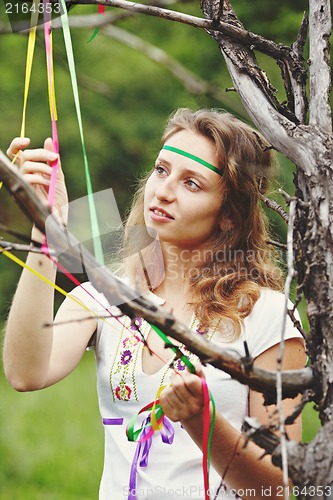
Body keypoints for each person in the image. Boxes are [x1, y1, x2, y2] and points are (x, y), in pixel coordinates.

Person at [4, 108, 306, 500]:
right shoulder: (104, 294)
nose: (163, 191)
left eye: (192, 183)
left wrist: (202, 421)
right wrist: (45, 230)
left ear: (229, 215)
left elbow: (277, 489)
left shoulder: (268, 315)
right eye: (161, 170)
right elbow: (26, 374)